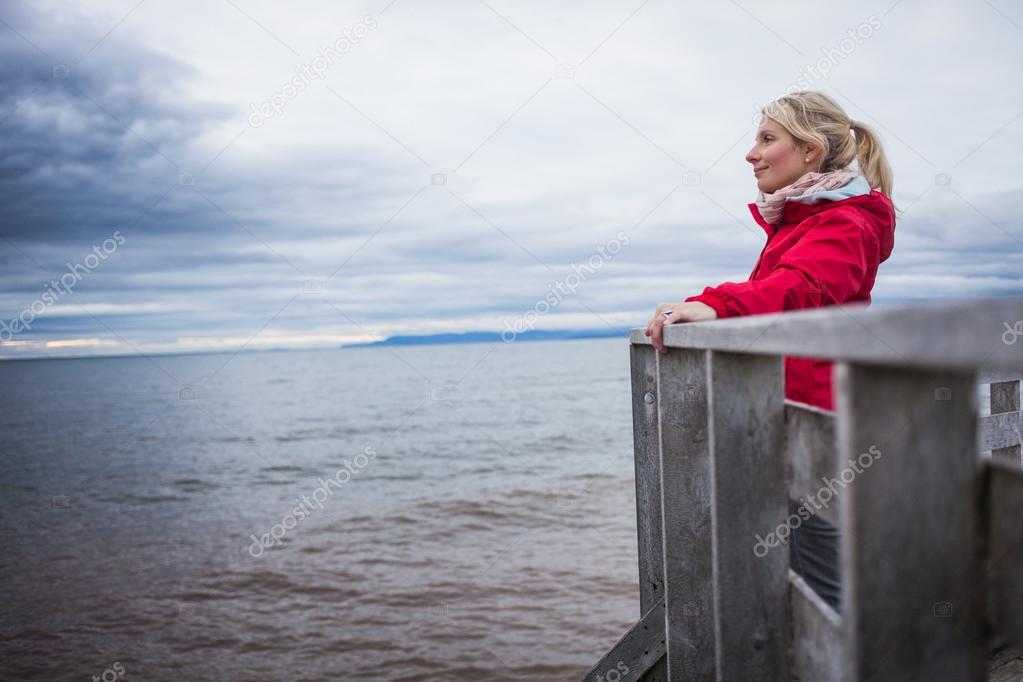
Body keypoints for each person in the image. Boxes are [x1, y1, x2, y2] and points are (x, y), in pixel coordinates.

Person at [643, 90, 897, 612]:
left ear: (809, 151)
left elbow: (799, 288)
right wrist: (711, 303)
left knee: (824, 584)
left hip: (817, 424)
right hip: (792, 417)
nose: (750, 153)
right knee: (797, 570)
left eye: (766, 139)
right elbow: (784, 287)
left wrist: (714, 306)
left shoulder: (845, 222)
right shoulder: (807, 218)